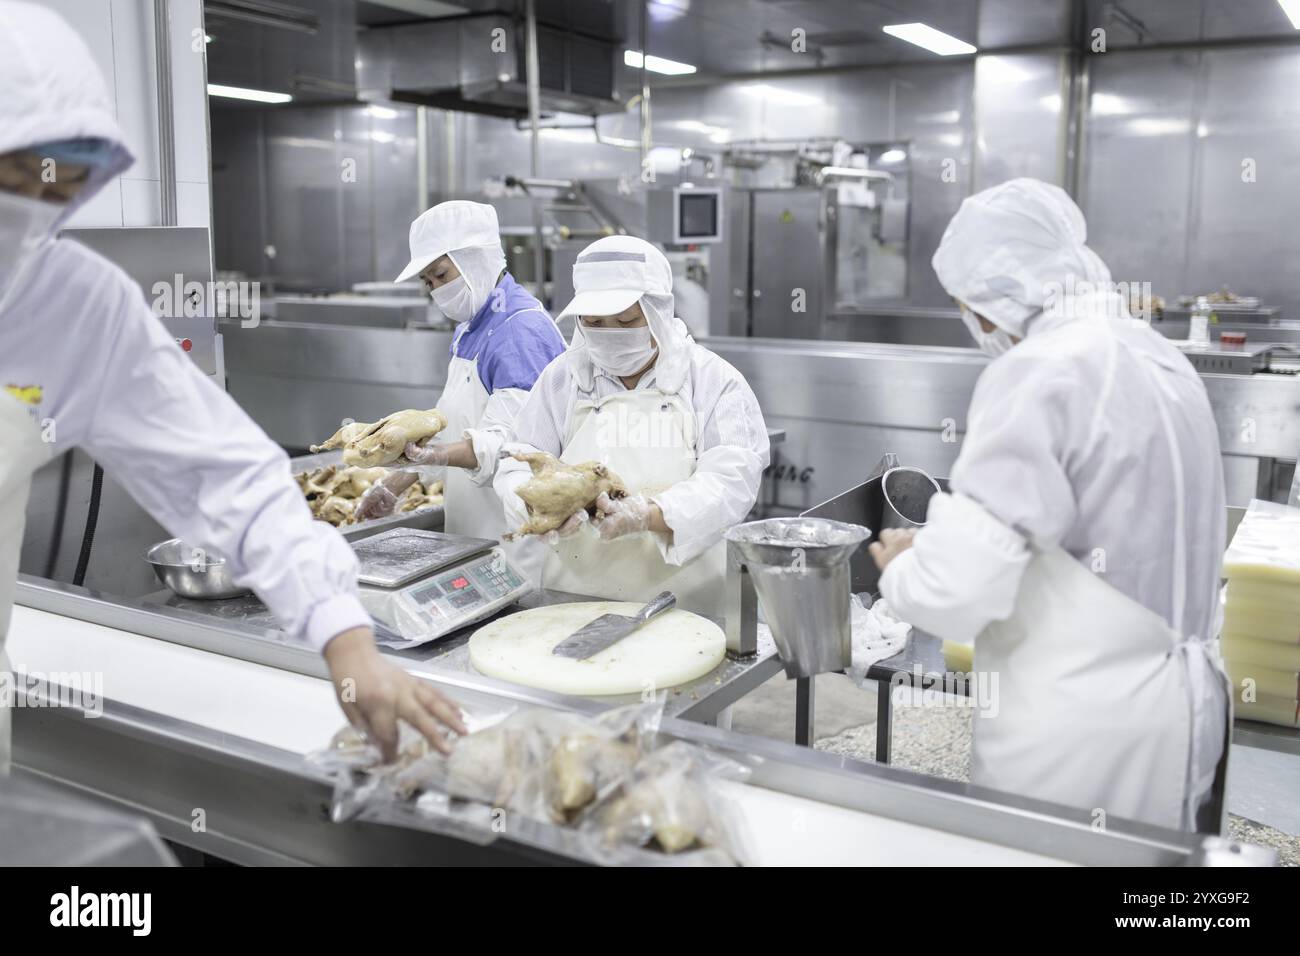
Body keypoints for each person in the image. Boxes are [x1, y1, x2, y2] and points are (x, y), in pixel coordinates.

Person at [0, 0, 464, 769]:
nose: (35, 222)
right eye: (20, 187)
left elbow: (222, 469)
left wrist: (344, 638)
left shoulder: (67, 301)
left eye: (61, 195)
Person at [868, 178, 1230, 831]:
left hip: (1076, 733)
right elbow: (1073, 537)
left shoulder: (1042, 369)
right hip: (1180, 712)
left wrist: (903, 566)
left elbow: (957, 595)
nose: (973, 326)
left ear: (991, 297)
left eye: (965, 307)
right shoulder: (1159, 357)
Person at [493, 236, 769, 617]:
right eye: (593, 322)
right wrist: (533, 506)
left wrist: (646, 515)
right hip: (574, 600)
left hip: (684, 609)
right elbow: (515, 462)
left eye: (626, 321)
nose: (609, 333)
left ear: (657, 312)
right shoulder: (562, 380)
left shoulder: (712, 380)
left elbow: (731, 482)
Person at [356, 201, 564, 582]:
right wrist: (399, 481)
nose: (436, 289)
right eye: (429, 282)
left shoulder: (520, 330)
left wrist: (429, 455)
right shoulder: (472, 325)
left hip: (518, 544)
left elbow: (515, 448)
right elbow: (452, 423)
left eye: (440, 274)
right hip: (476, 532)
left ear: (476, 259)